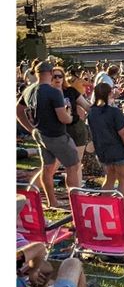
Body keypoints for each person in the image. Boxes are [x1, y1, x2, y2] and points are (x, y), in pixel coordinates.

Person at [16, 60, 81, 208]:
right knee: (73, 166)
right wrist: (72, 117)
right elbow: (63, 118)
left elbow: (18, 110)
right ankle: (76, 204)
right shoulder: (54, 92)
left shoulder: (29, 90)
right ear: (51, 73)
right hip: (56, 135)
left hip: (40, 133)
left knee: (48, 167)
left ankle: (53, 202)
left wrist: (30, 128)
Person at [86, 82, 124, 200]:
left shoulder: (92, 112)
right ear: (110, 93)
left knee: (109, 178)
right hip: (119, 150)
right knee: (123, 181)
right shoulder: (114, 112)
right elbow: (123, 133)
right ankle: (122, 208)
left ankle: (105, 205)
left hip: (103, 151)